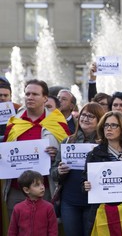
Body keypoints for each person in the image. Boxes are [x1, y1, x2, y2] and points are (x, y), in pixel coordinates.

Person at [3, 79, 70, 220]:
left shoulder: (57, 123)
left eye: (35, 94)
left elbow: (68, 153)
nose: (30, 97)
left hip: (45, 188)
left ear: (45, 98)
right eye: (27, 94)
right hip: (17, 189)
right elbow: (4, 153)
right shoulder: (14, 123)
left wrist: (57, 154)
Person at [83, 111, 122, 234]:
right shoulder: (94, 154)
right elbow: (84, 180)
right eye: (106, 125)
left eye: (113, 125)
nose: (108, 128)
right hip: (102, 210)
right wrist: (85, 185)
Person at [52, 102, 105, 236]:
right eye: (83, 115)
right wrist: (59, 171)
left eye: (91, 116)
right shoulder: (68, 141)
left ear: (99, 120)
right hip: (70, 202)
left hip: (94, 202)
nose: (85, 119)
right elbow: (53, 172)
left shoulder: (105, 144)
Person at [8, 170, 57, 236]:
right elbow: (12, 231)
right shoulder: (18, 208)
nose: (42, 187)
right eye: (37, 185)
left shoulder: (49, 207)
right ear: (26, 190)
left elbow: (53, 231)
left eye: (42, 184)